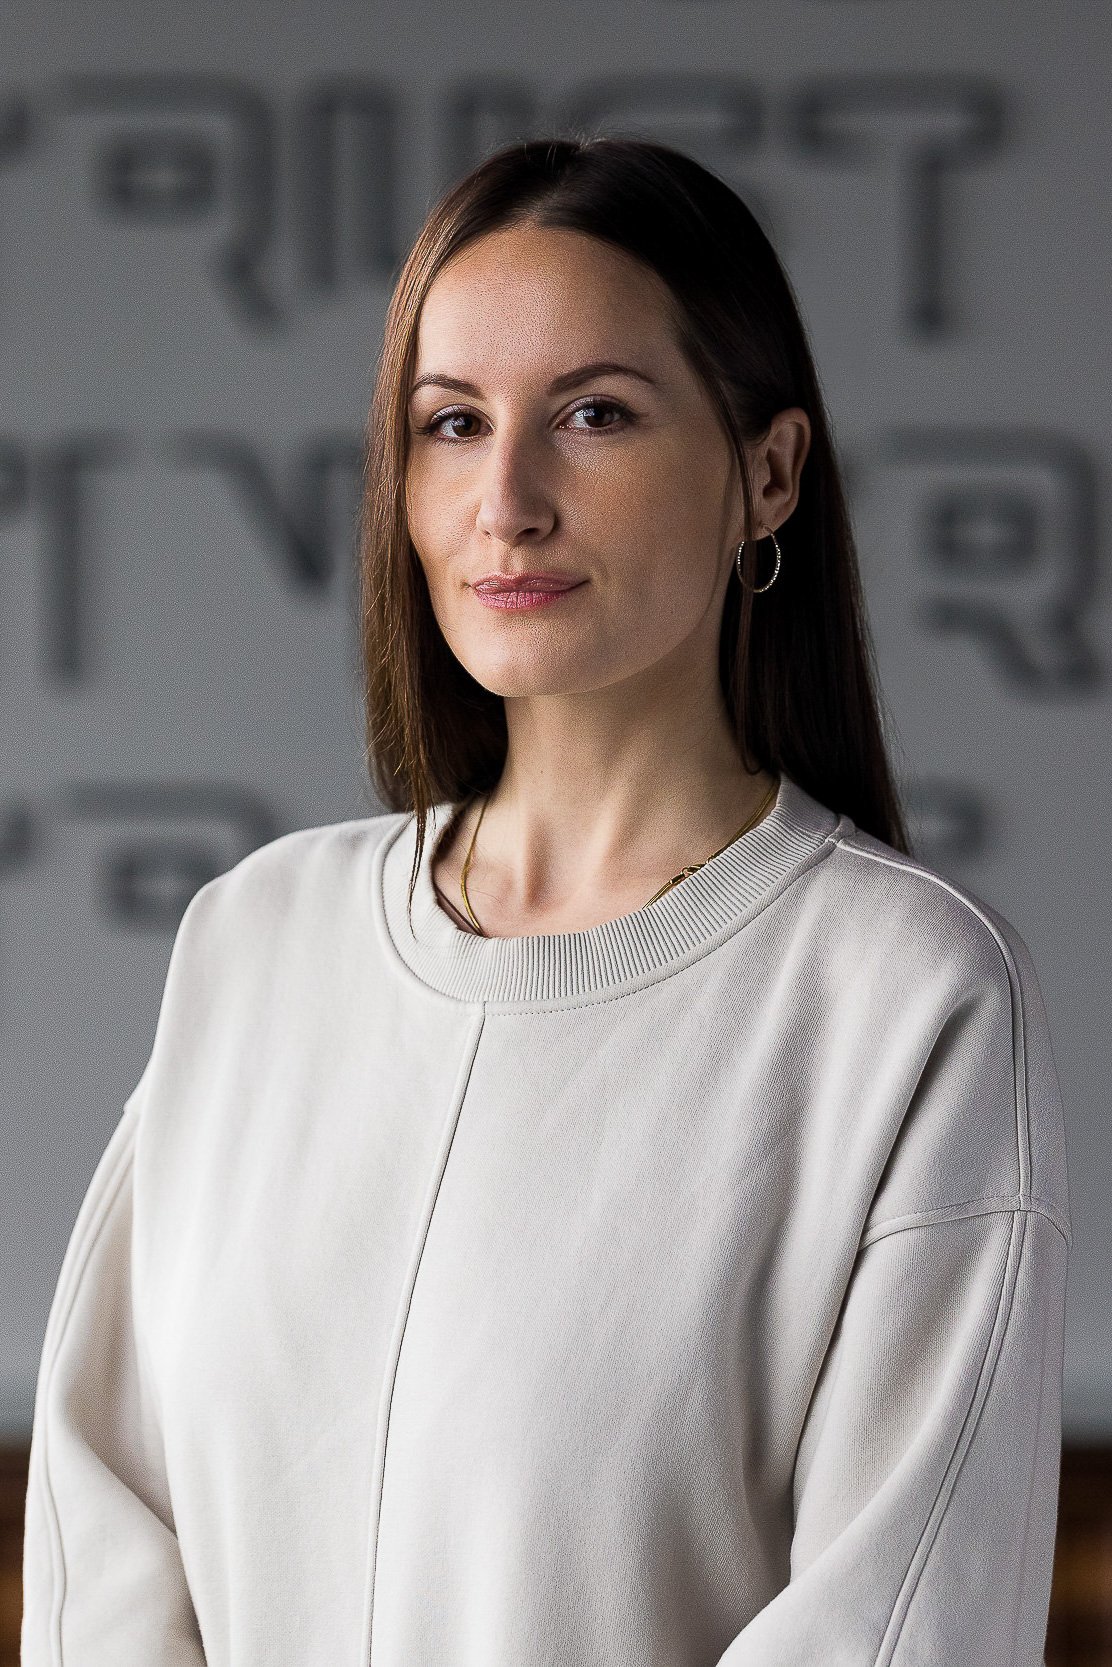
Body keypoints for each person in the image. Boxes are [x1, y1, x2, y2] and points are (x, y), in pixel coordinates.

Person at [21, 136, 1070, 1666]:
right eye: (452, 424)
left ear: (768, 473)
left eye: (594, 414)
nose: (505, 501)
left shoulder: (904, 994)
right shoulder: (256, 943)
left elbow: (895, 1622)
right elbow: (104, 1530)